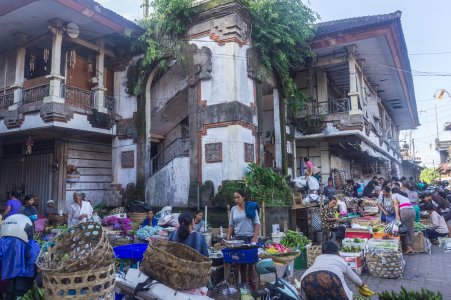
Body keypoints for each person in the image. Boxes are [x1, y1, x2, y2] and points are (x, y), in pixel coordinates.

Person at [301, 241, 365, 300]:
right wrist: (361, 284)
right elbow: (353, 277)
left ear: (322, 252)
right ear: (337, 252)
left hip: (306, 278)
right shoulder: (339, 259)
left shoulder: (318, 258)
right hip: (331, 277)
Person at [0, 214, 40, 299]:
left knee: (9, 292)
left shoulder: (2, 242)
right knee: (21, 295)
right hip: (25, 275)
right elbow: (33, 260)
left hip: (7, 275)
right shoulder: (31, 244)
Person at [392, 187, 415, 254]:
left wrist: (397, 215)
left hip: (405, 211)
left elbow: (396, 204)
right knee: (411, 229)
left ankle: (409, 248)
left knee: (404, 229)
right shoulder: (403, 196)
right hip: (412, 210)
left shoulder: (394, 195)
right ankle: (410, 246)